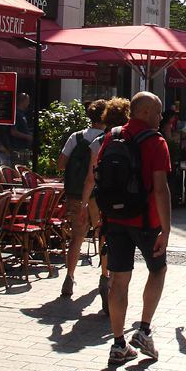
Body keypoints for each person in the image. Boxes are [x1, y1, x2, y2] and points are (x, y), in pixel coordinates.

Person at [82, 92, 171, 367]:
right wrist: (166, 229)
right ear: (144, 112)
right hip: (146, 221)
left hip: (116, 220)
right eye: (157, 112)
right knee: (157, 270)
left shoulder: (111, 137)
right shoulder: (156, 142)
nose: (160, 117)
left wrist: (96, 215)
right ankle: (143, 330)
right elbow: (160, 188)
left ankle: (118, 343)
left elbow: (99, 177)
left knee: (118, 280)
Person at [77, 98, 131, 313]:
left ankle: (104, 275)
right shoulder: (131, 140)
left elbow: (91, 177)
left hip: (100, 197)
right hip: (126, 199)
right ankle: (115, 280)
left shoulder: (99, 141)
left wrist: (83, 204)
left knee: (102, 233)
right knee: (122, 236)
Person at [57, 99, 107, 300]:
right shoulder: (106, 139)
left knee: (77, 236)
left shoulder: (75, 137)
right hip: (98, 193)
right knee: (102, 234)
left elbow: (61, 164)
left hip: (75, 193)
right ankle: (105, 277)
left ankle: (69, 277)